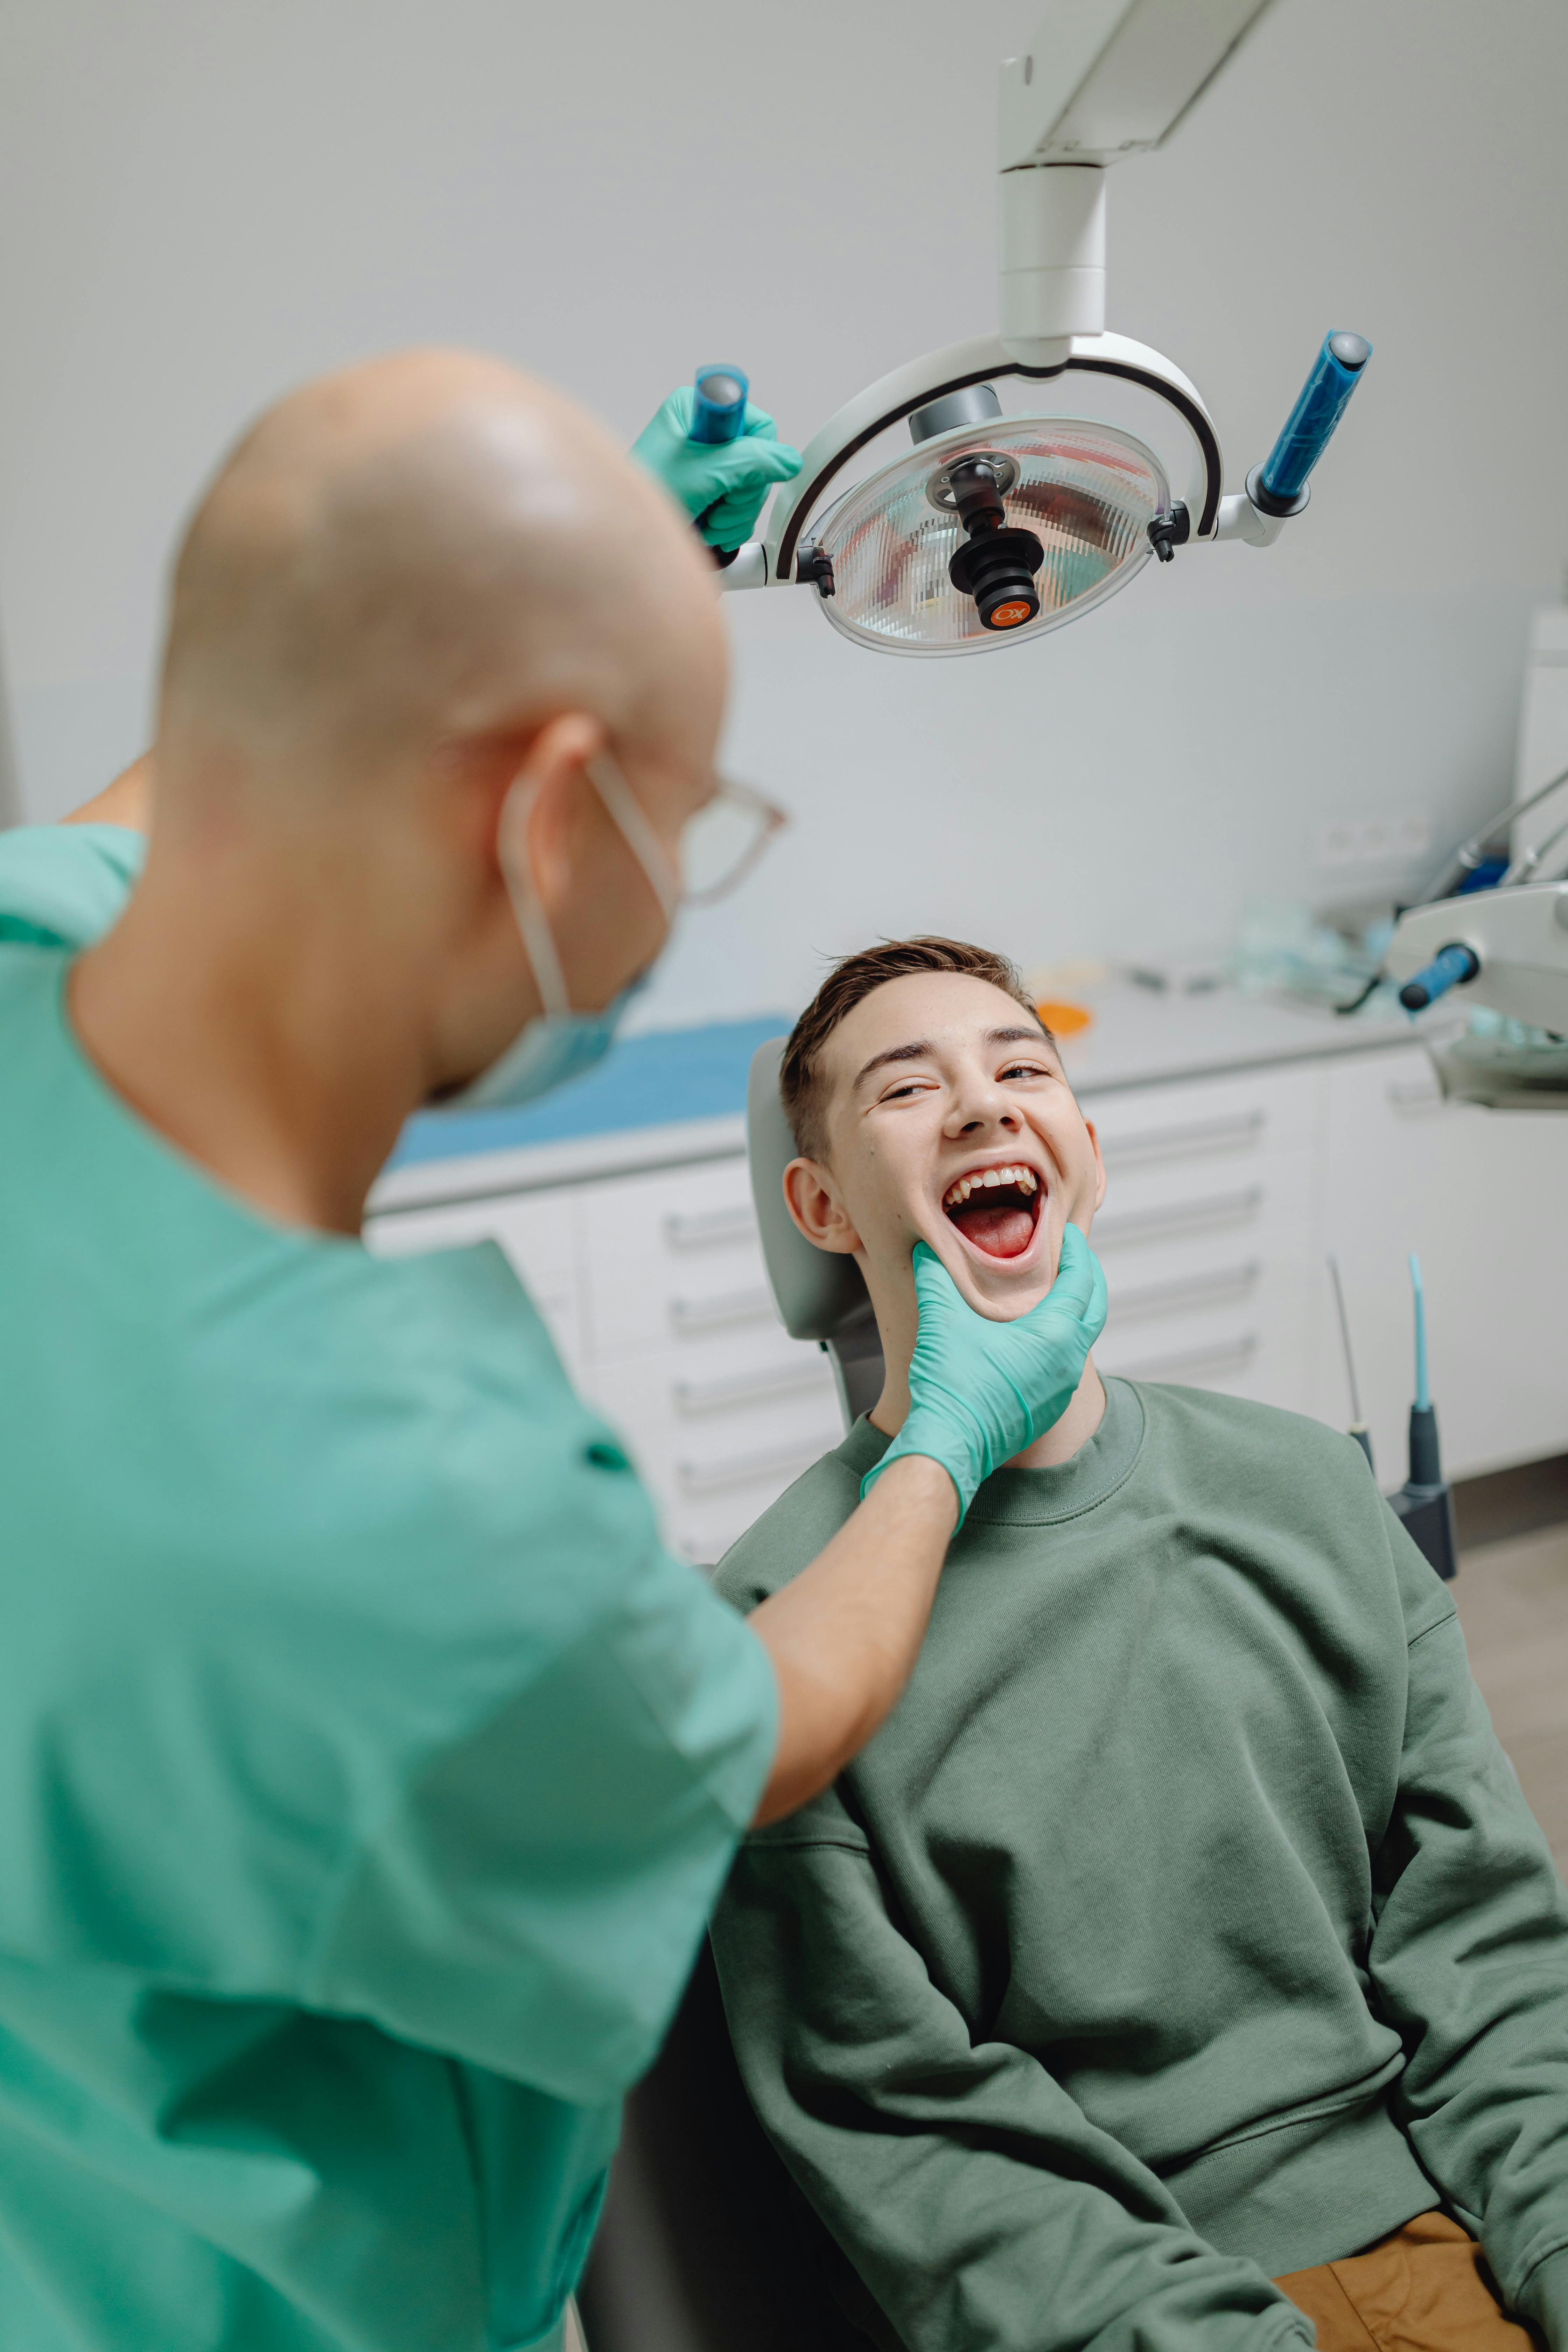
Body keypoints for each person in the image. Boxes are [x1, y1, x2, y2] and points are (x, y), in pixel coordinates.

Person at [0, 363, 1108, 2352]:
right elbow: (751, 1739)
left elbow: (224, 735)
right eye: (683, 825)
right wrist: (947, 1428)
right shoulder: (415, 1502)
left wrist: (553, 594)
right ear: (539, 812)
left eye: (1020, 1064)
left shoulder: (23, 945)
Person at [710, 934, 1568, 2352]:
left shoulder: (1304, 1489)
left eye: (1021, 1068)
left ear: (1084, 1157)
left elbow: (1492, 1953)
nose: (983, 1106)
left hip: (1455, 2216)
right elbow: (907, 2132)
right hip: (1140, 2297)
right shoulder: (778, 1638)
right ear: (818, 1206)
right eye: (906, 1090)